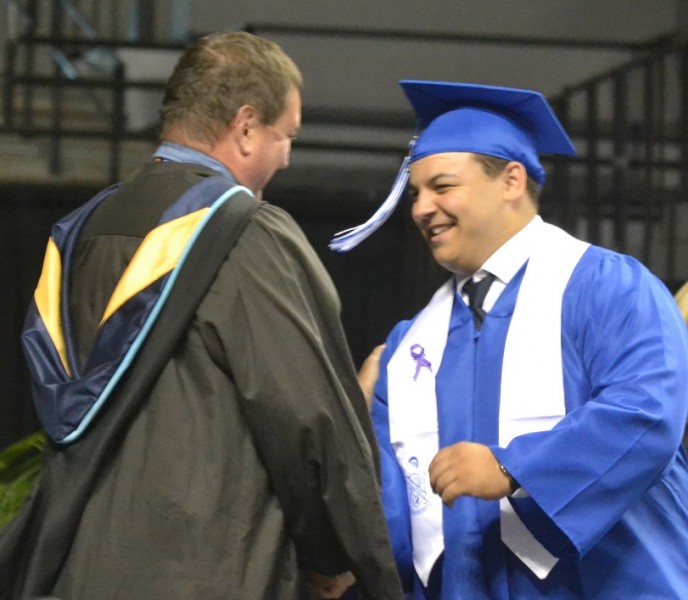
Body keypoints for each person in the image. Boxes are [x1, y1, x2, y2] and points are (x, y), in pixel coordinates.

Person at [0, 32, 402, 600]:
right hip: (209, 569)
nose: (287, 157)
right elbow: (305, 420)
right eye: (286, 136)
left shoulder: (80, 231)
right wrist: (336, 555)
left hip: (74, 566)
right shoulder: (245, 233)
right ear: (245, 126)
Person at [341, 80, 688, 599]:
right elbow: (394, 514)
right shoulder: (410, 348)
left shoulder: (606, 288)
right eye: (415, 194)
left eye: (442, 186)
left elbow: (648, 412)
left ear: (511, 180)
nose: (421, 208)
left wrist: (515, 466)